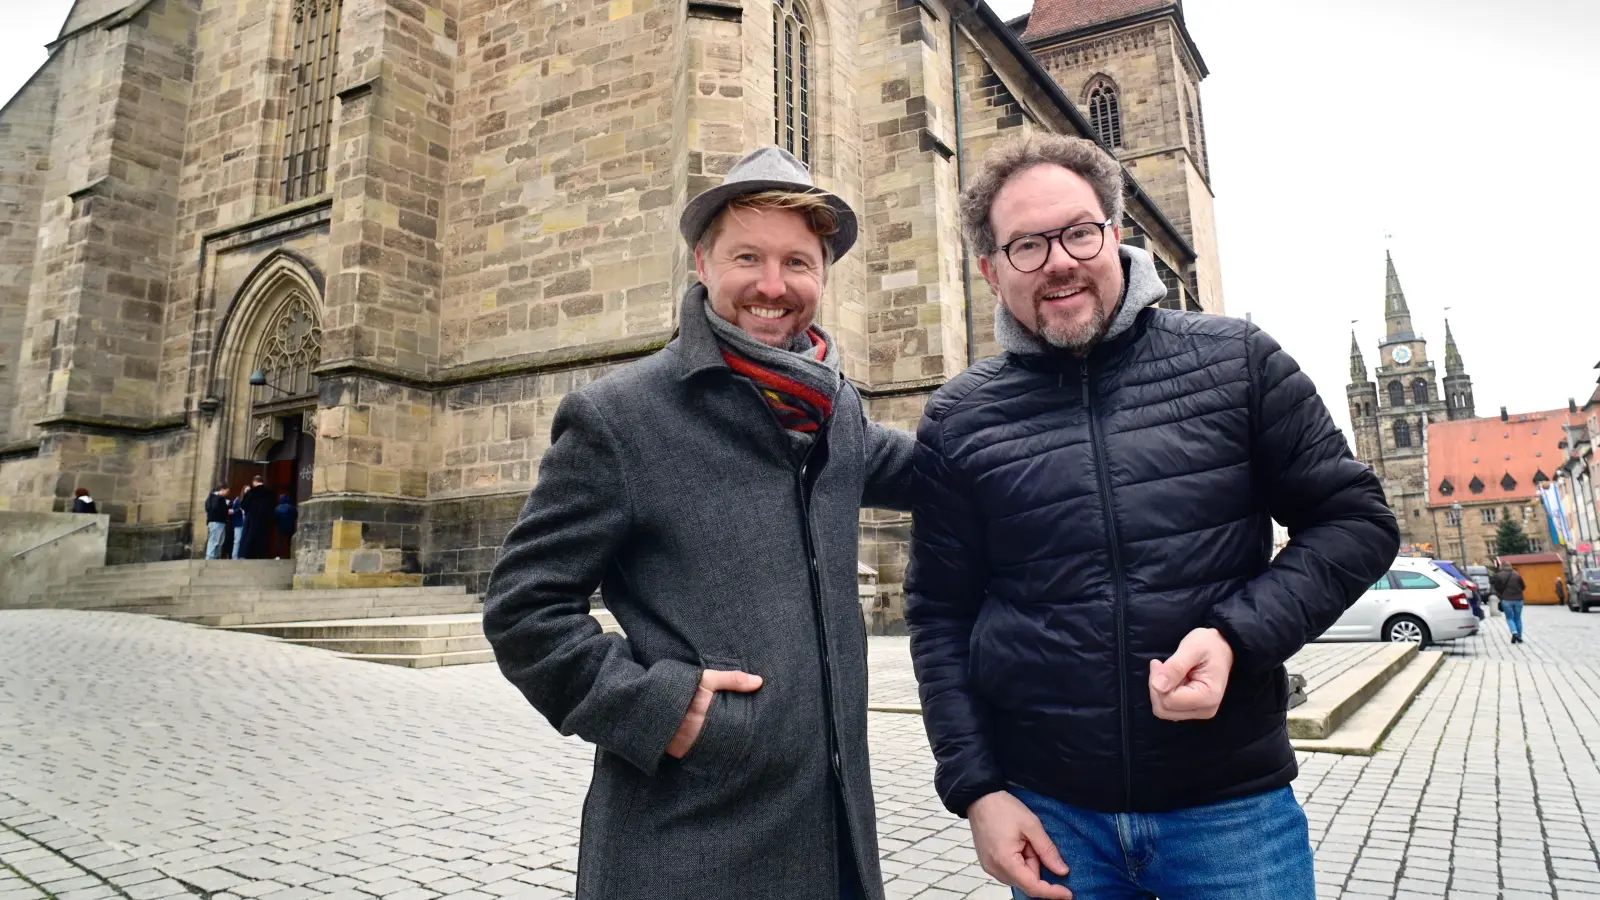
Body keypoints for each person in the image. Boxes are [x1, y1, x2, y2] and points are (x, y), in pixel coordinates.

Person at [904, 133, 1400, 900]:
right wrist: (976, 791)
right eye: (1027, 246)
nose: (1061, 261)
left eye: (1078, 232)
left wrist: (1236, 635)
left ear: (1115, 234)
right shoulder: (959, 418)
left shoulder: (1236, 360)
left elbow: (1355, 520)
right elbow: (939, 616)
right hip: (1052, 820)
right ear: (990, 271)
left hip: (1232, 815)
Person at [482, 146, 913, 900]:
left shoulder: (837, 412)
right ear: (702, 262)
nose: (773, 286)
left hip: (832, 839)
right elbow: (524, 608)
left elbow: (955, 469)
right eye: (748, 256)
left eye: (798, 263)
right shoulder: (620, 417)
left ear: (823, 275)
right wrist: (659, 708)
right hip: (686, 844)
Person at [238, 476, 277, 559]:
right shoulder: (270, 493)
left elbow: (244, 505)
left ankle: (249, 555)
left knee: (251, 537)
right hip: (265, 520)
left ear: (254, 482)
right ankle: (263, 555)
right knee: (264, 538)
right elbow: (273, 506)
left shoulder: (251, 492)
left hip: (252, 519)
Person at [1492, 560, 1527, 643]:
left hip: (1506, 599)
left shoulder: (1498, 575)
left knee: (1509, 618)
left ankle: (1514, 632)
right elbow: (1523, 587)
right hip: (1518, 599)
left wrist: (1500, 595)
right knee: (1518, 618)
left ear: (1502, 566)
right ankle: (1520, 636)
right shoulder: (1517, 575)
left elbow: (1496, 588)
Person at [204, 485, 232, 559]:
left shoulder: (211, 497)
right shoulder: (218, 498)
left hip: (216, 521)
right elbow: (217, 508)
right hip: (217, 521)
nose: (227, 493)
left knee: (219, 540)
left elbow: (207, 508)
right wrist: (227, 511)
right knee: (214, 540)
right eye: (227, 491)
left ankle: (215, 557)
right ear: (222, 490)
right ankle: (210, 557)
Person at [273, 494, 298, 559]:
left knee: (280, 542)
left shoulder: (277, 508)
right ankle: (290, 554)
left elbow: (275, 517)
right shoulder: (291, 507)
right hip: (290, 526)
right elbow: (295, 515)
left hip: (280, 527)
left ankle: (279, 555)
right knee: (290, 541)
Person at [228, 493, 246, 560]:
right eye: (246, 490)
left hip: (246, 523)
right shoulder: (238, 499)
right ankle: (234, 557)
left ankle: (242, 556)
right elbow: (233, 510)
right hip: (239, 523)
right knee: (237, 540)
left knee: (244, 541)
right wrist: (240, 510)